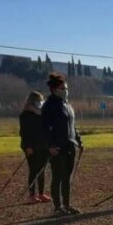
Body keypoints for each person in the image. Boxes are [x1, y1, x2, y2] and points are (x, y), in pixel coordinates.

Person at [42, 73, 83, 215]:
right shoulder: (49, 105)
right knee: (57, 177)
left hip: (70, 145)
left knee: (67, 178)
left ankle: (67, 205)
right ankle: (57, 207)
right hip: (57, 147)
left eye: (66, 87)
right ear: (54, 89)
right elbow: (44, 128)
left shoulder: (67, 105)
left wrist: (79, 140)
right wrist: (50, 146)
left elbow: (72, 125)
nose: (65, 90)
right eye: (62, 88)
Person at [19, 91, 50, 203]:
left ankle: (41, 194)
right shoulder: (25, 115)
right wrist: (28, 146)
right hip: (31, 146)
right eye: (37, 101)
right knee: (33, 169)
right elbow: (24, 132)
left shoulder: (42, 114)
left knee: (41, 170)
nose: (39, 103)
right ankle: (32, 195)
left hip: (43, 145)